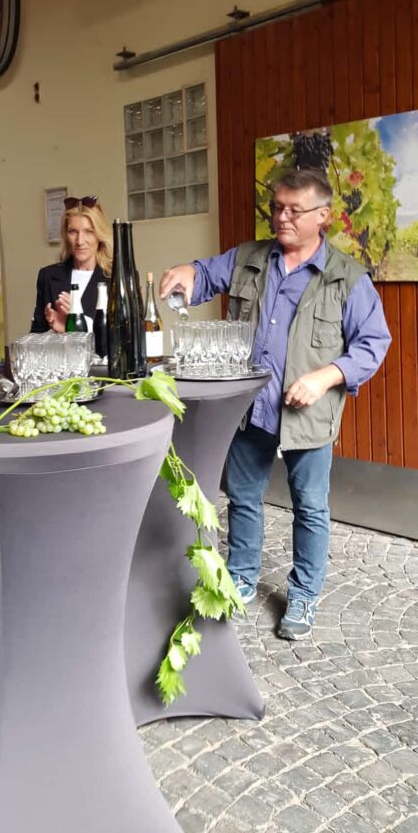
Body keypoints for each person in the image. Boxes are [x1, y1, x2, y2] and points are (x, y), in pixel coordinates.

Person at [159, 168, 391, 640]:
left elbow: (372, 344)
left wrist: (326, 376)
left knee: (310, 506)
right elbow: (205, 275)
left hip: (308, 416)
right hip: (251, 408)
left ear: (323, 216)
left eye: (294, 210)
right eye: (277, 207)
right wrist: (188, 272)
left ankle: (303, 593)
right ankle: (242, 577)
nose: (281, 217)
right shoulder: (249, 258)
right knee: (244, 498)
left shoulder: (346, 277)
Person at [30, 195, 112, 333]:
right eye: (73, 232)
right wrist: (56, 331)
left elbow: (127, 336)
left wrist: (80, 324)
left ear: (99, 234)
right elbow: (36, 335)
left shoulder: (116, 279)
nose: (80, 241)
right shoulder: (48, 276)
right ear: (66, 235)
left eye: (88, 232)